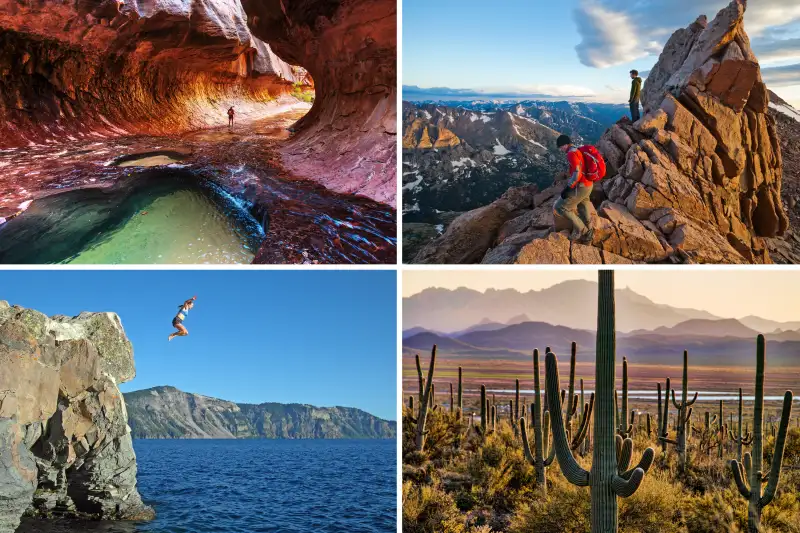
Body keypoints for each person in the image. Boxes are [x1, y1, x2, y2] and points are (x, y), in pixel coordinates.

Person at [553, 135, 606, 243]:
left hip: (581, 186)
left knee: (560, 207)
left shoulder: (571, 154)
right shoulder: (577, 149)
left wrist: (568, 188)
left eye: (560, 146)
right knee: (583, 206)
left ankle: (582, 230)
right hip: (588, 185)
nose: (560, 149)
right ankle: (589, 231)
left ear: (565, 144)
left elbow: (577, 173)